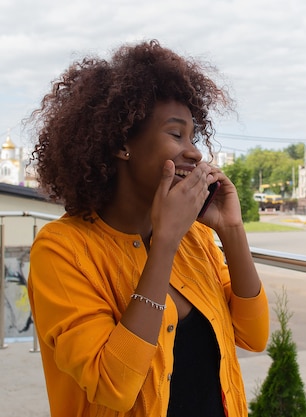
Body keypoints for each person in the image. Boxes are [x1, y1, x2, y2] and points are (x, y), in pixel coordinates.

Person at [27, 40, 269, 417]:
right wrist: (165, 242)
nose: (194, 152)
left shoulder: (198, 237)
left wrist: (231, 229)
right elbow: (114, 385)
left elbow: (254, 337)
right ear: (123, 143)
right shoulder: (61, 251)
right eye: (176, 134)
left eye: (193, 136)